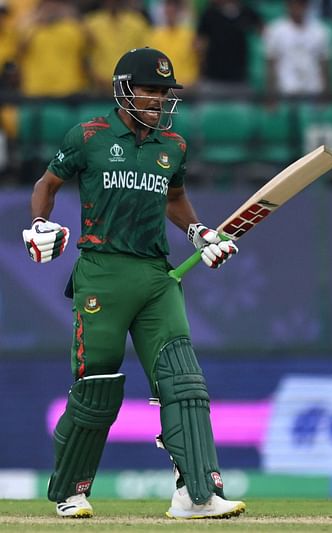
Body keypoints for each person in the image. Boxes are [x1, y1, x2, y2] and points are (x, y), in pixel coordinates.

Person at [22, 47, 244, 520]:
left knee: (184, 382)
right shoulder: (88, 136)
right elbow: (46, 185)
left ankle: (196, 494)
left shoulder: (173, 147)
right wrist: (40, 225)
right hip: (102, 270)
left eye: (164, 93)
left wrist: (199, 232)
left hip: (155, 275)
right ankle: (71, 491)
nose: (159, 100)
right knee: (97, 387)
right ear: (124, 89)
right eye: (150, 90)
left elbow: (176, 198)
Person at [263, 0, 330, 97]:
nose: (298, 7)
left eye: (302, 3)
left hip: (313, 91)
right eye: (295, 3)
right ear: (288, 5)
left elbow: (324, 65)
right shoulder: (275, 30)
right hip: (285, 90)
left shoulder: (320, 31)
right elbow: (271, 65)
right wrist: (271, 96)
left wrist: (326, 96)